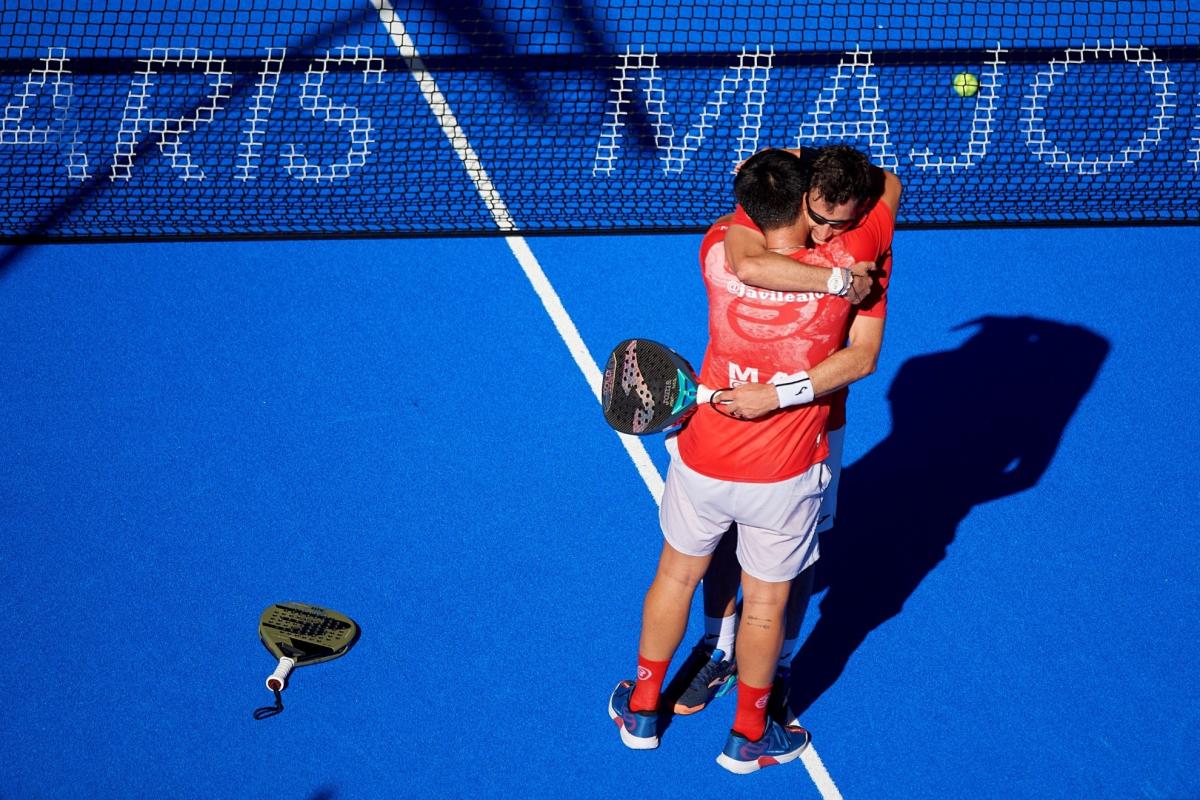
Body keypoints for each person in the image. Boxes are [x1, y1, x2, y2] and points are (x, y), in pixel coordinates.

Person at [608, 146, 898, 773]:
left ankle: (641, 708)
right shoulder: (851, 268)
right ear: (802, 200)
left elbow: (751, 248)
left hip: (705, 459)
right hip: (784, 476)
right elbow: (863, 356)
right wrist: (781, 393)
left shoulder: (716, 250)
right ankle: (747, 736)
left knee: (674, 578)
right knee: (767, 604)